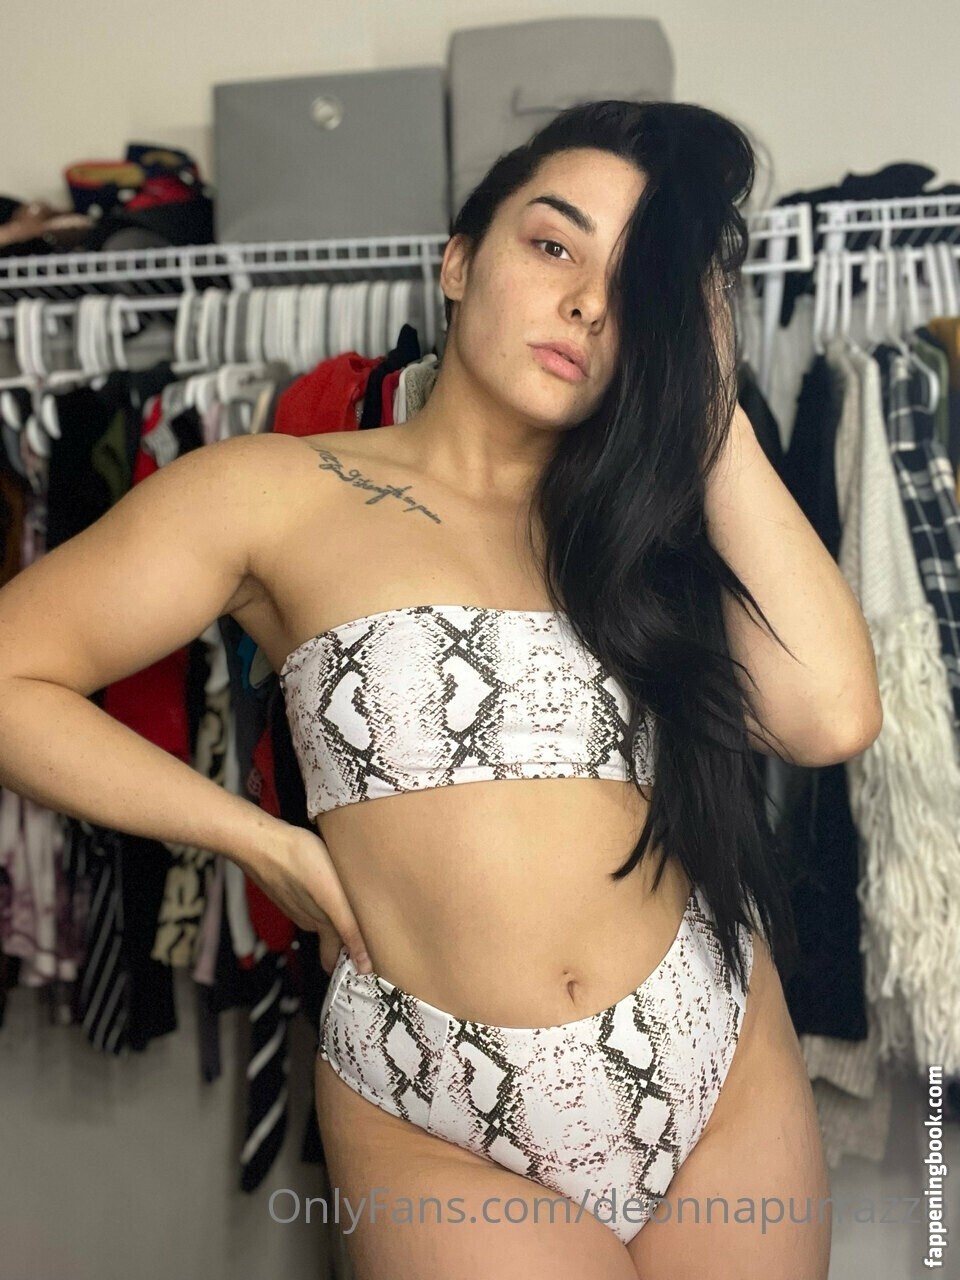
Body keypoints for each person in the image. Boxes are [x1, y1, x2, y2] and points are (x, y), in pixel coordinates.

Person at [0, 100, 882, 1279]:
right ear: (459, 261)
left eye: (634, 284)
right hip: (431, 1101)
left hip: (714, 1051)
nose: (588, 303)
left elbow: (831, 715)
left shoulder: (645, 519)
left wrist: (705, 391)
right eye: (553, 244)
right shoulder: (273, 489)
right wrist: (259, 840)